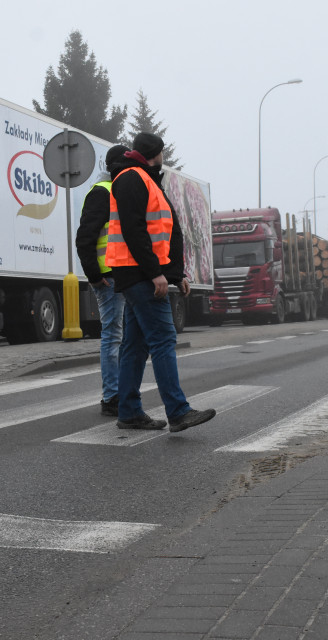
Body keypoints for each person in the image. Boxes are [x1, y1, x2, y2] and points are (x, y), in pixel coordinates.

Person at [106, 133, 215, 432]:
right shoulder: (132, 179)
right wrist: (156, 273)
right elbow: (134, 231)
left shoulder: (145, 179)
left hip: (141, 271)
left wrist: (176, 275)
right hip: (139, 273)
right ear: (158, 153)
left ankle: (128, 411)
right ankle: (178, 411)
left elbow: (165, 232)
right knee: (164, 339)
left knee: (135, 344)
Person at [76, 144, 129, 416]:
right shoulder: (102, 193)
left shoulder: (119, 192)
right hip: (108, 278)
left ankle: (121, 393)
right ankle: (112, 397)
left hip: (122, 276)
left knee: (121, 337)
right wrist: (94, 276)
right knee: (113, 337)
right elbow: (84, 238)